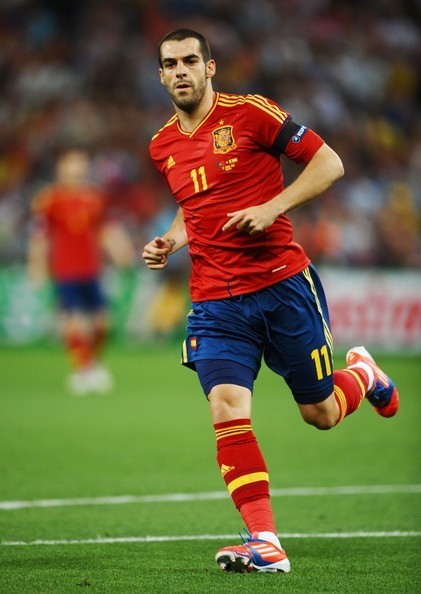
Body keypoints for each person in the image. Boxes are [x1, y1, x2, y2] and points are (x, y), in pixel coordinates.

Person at [142, 29, 399, 574]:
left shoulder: (252, 113)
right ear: (161, 75)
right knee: (226, 407)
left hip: (282, 287)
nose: (181, 70)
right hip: (215, 302)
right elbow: (193, 203)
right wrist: (170, 239)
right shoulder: (161, 145)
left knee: (321, 413)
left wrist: (273, 207)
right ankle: (265, 540)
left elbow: (329, 163)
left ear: (210, 67)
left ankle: (364, 373)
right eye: (170, 64)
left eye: (190, 60)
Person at [28, 148, 135, 395]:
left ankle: (92, 364)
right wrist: (37, 266)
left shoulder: (95, 197)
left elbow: (107, 229)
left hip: (92, 269)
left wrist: (121, 252)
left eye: (81, 163)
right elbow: (39, 237)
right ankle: (82, 370)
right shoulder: (49, 199)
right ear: (61, 168)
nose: (77, 168)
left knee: (103, 322)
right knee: (73, 322)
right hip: (65, 270)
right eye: (72, 163)